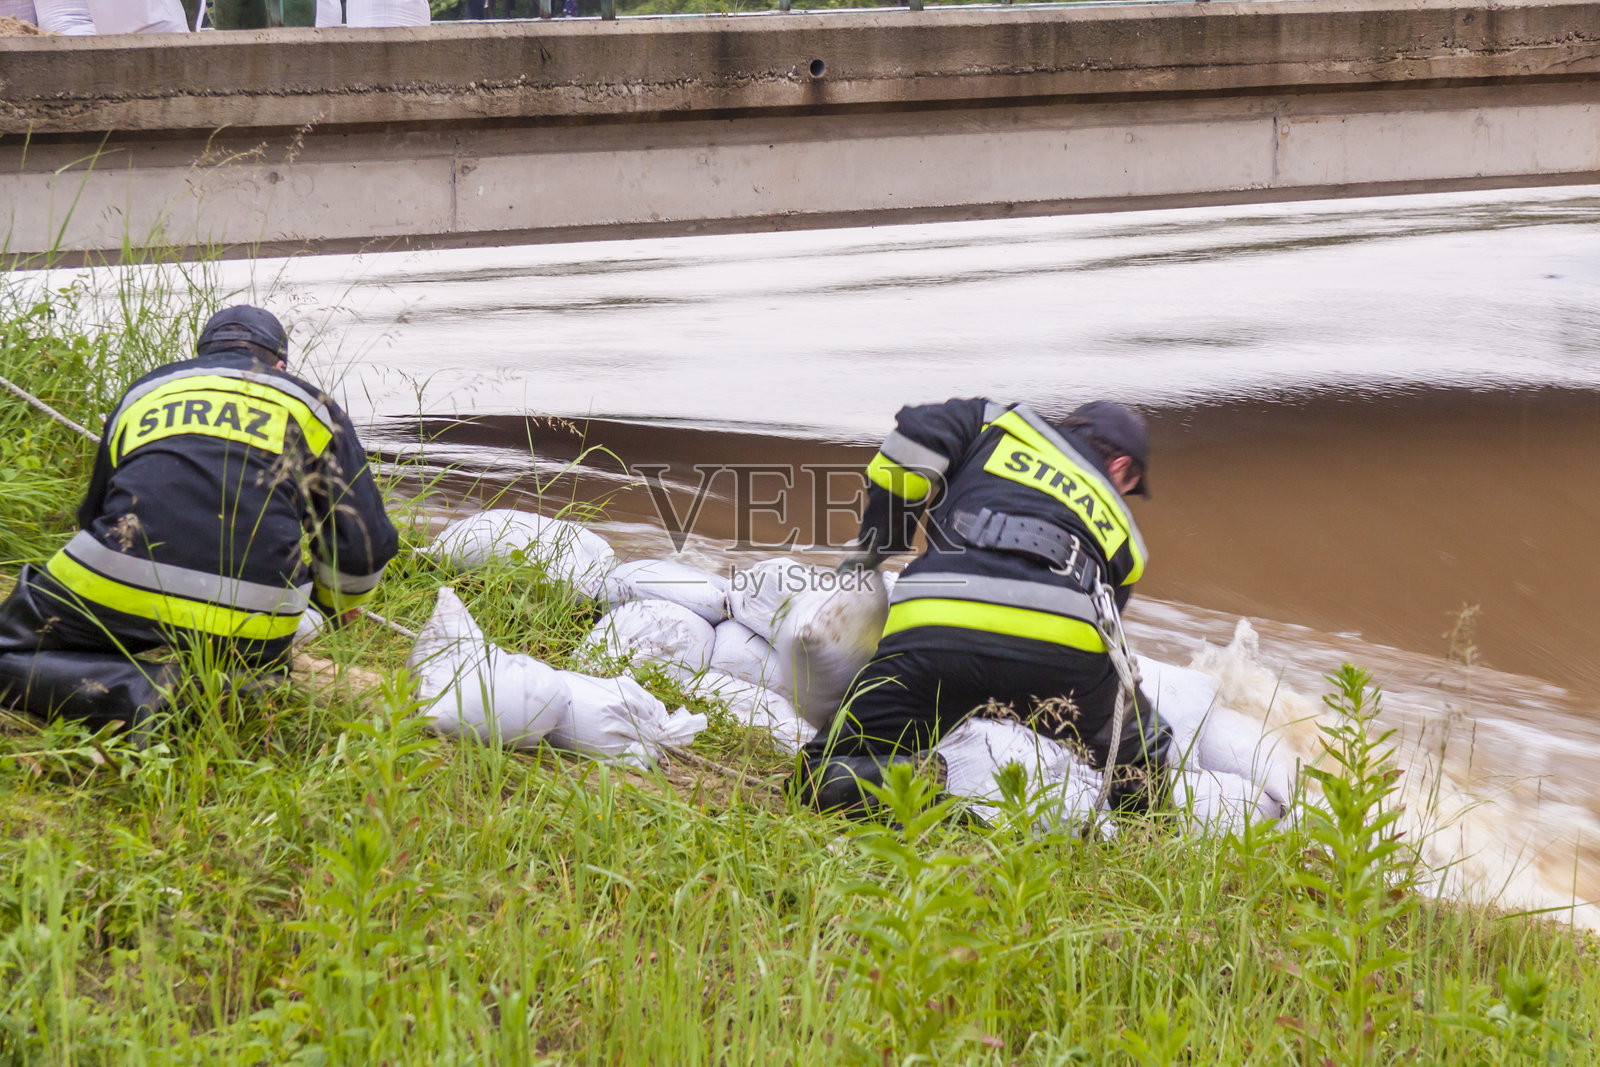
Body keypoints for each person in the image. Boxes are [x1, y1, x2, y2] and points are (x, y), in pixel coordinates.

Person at [0, 305, 399, 735]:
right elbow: (364, 545)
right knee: (250, 672)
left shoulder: (146, 392)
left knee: (7, 652)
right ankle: (232, 688)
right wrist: (328, 608)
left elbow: (94, 512)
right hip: (254, 614)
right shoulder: (312, 407)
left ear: (201, 354)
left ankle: (138, 689)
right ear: (280, 364)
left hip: (115, 579)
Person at [793, 397, 1171, 815]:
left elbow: (910, 446)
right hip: (1062, 660)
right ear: (1121, 468)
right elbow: (1108, 637)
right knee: (1141, 742)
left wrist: (879, 543)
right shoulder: (1128, 537)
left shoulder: (997, 424)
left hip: (939, 630)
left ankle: (907, 775)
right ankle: (1148, 836)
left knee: (821, 768)